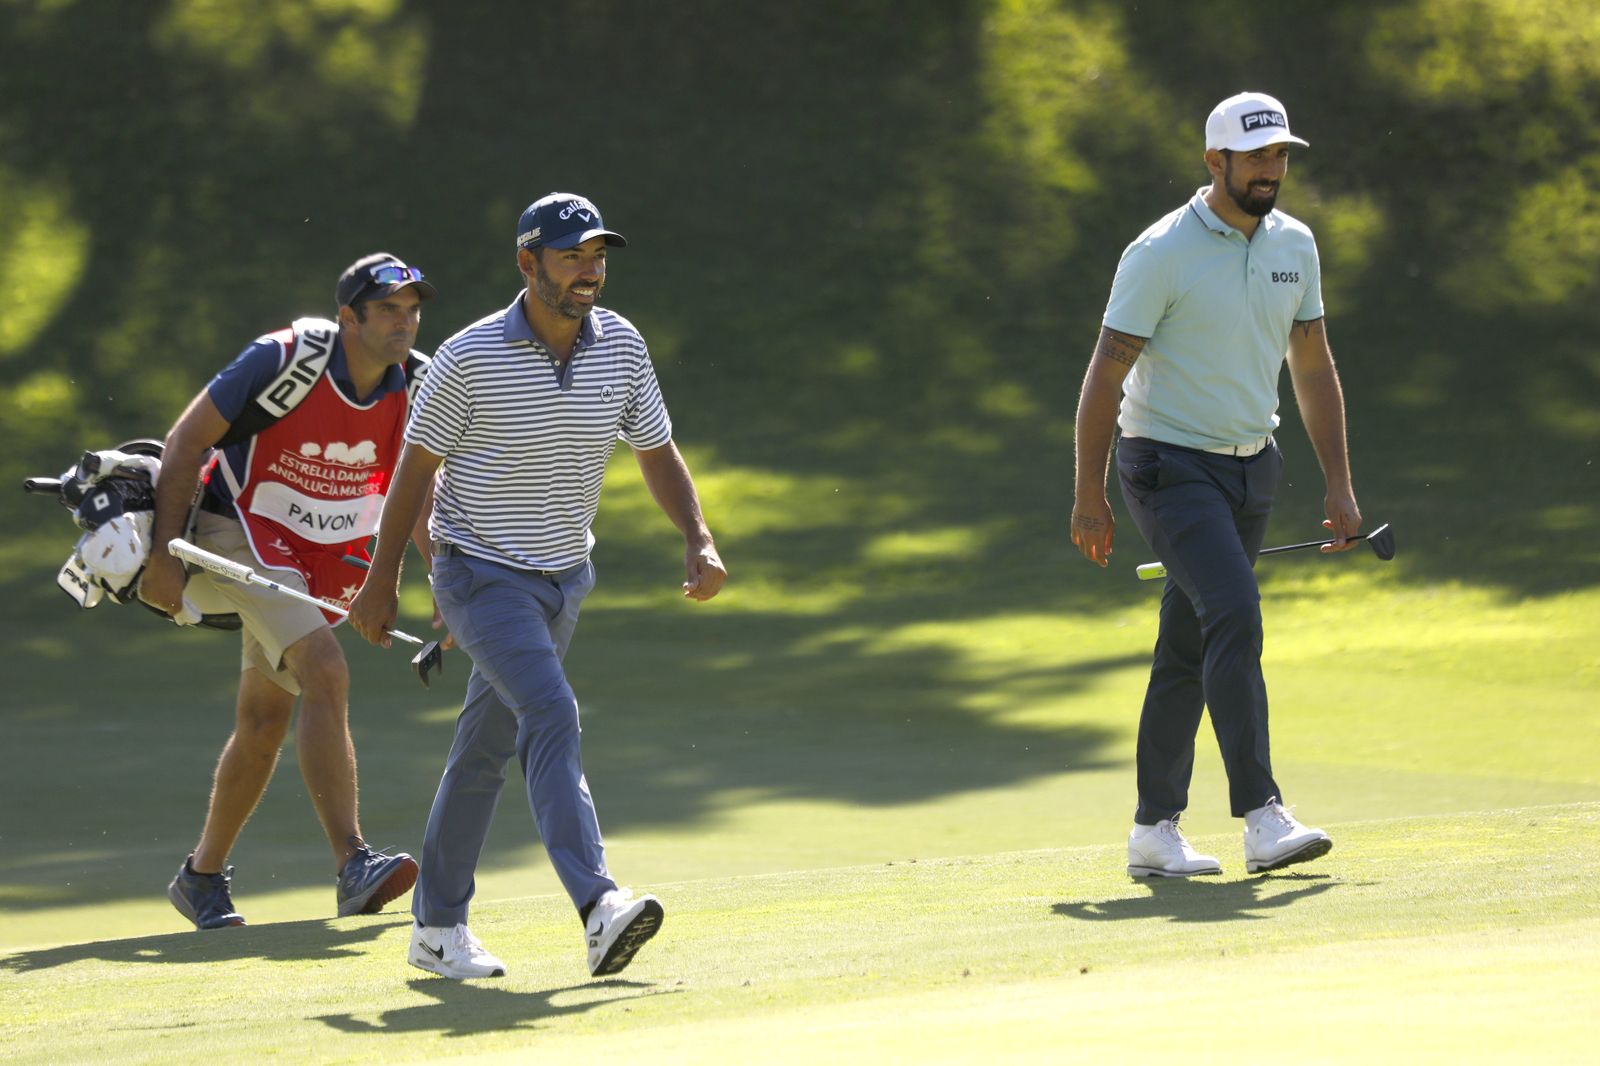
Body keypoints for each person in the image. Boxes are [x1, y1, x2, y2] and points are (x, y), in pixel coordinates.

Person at [348, 192, 727, 980]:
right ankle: (598, 904)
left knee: (485, 749)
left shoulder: (621, 346)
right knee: (551, 710)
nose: (589, 272)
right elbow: (413, 472)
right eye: (570, 257)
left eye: (597, 257)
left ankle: (436, 929)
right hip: (478, 573)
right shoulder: (469, 358)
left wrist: (698, 537)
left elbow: (656, 449)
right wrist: (382, 583)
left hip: (564, 578)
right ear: (528, 263)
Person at [1070, 92, 1361, 878]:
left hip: (1252, 466)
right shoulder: (1160, 251)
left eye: (1280, 155)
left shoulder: (1295, 244)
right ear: (1215, 161)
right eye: (1256, 156)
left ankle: (1152, 830)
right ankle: (1263, 816)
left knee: (1188, 642)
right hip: (1167, 465)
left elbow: (1312, 367)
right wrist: (1090, 496)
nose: (1271, 170)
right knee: (1233, 610)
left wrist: (1338, 484)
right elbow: (1105, 375)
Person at [141, 253, 436, 927]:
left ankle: (201, 877)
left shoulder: (418, 385)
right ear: (349, 318)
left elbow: (419, 488)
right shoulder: (286, 358)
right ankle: (352, 863)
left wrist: (438, 579)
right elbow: (186, 442)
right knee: (324, 670)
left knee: (265, 717)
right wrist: (162, 557)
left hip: (321, 555)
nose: (403, 322)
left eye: (412, 310)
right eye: (387, 309)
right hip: (238, 526)